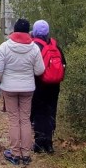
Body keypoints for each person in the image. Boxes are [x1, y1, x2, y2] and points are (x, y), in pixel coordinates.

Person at [0, 19, 45, 166]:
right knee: (25, 119)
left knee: (14, 120)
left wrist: (3, 80)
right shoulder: (34, 48)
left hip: (9, 88)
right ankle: (26, 154)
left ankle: (15, 154)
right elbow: (40, 70)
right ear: (28, 31)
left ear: (14, 30)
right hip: (28, 88)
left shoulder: (5, 46)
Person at [31, 20, 65, 154]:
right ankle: (49, 143)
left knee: (39, 113)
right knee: (51, 112)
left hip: (39, 85)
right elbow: (63, 65)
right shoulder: (55, 46)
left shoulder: (34, 46)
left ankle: (39, 143)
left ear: (34, 31)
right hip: (54, 86)